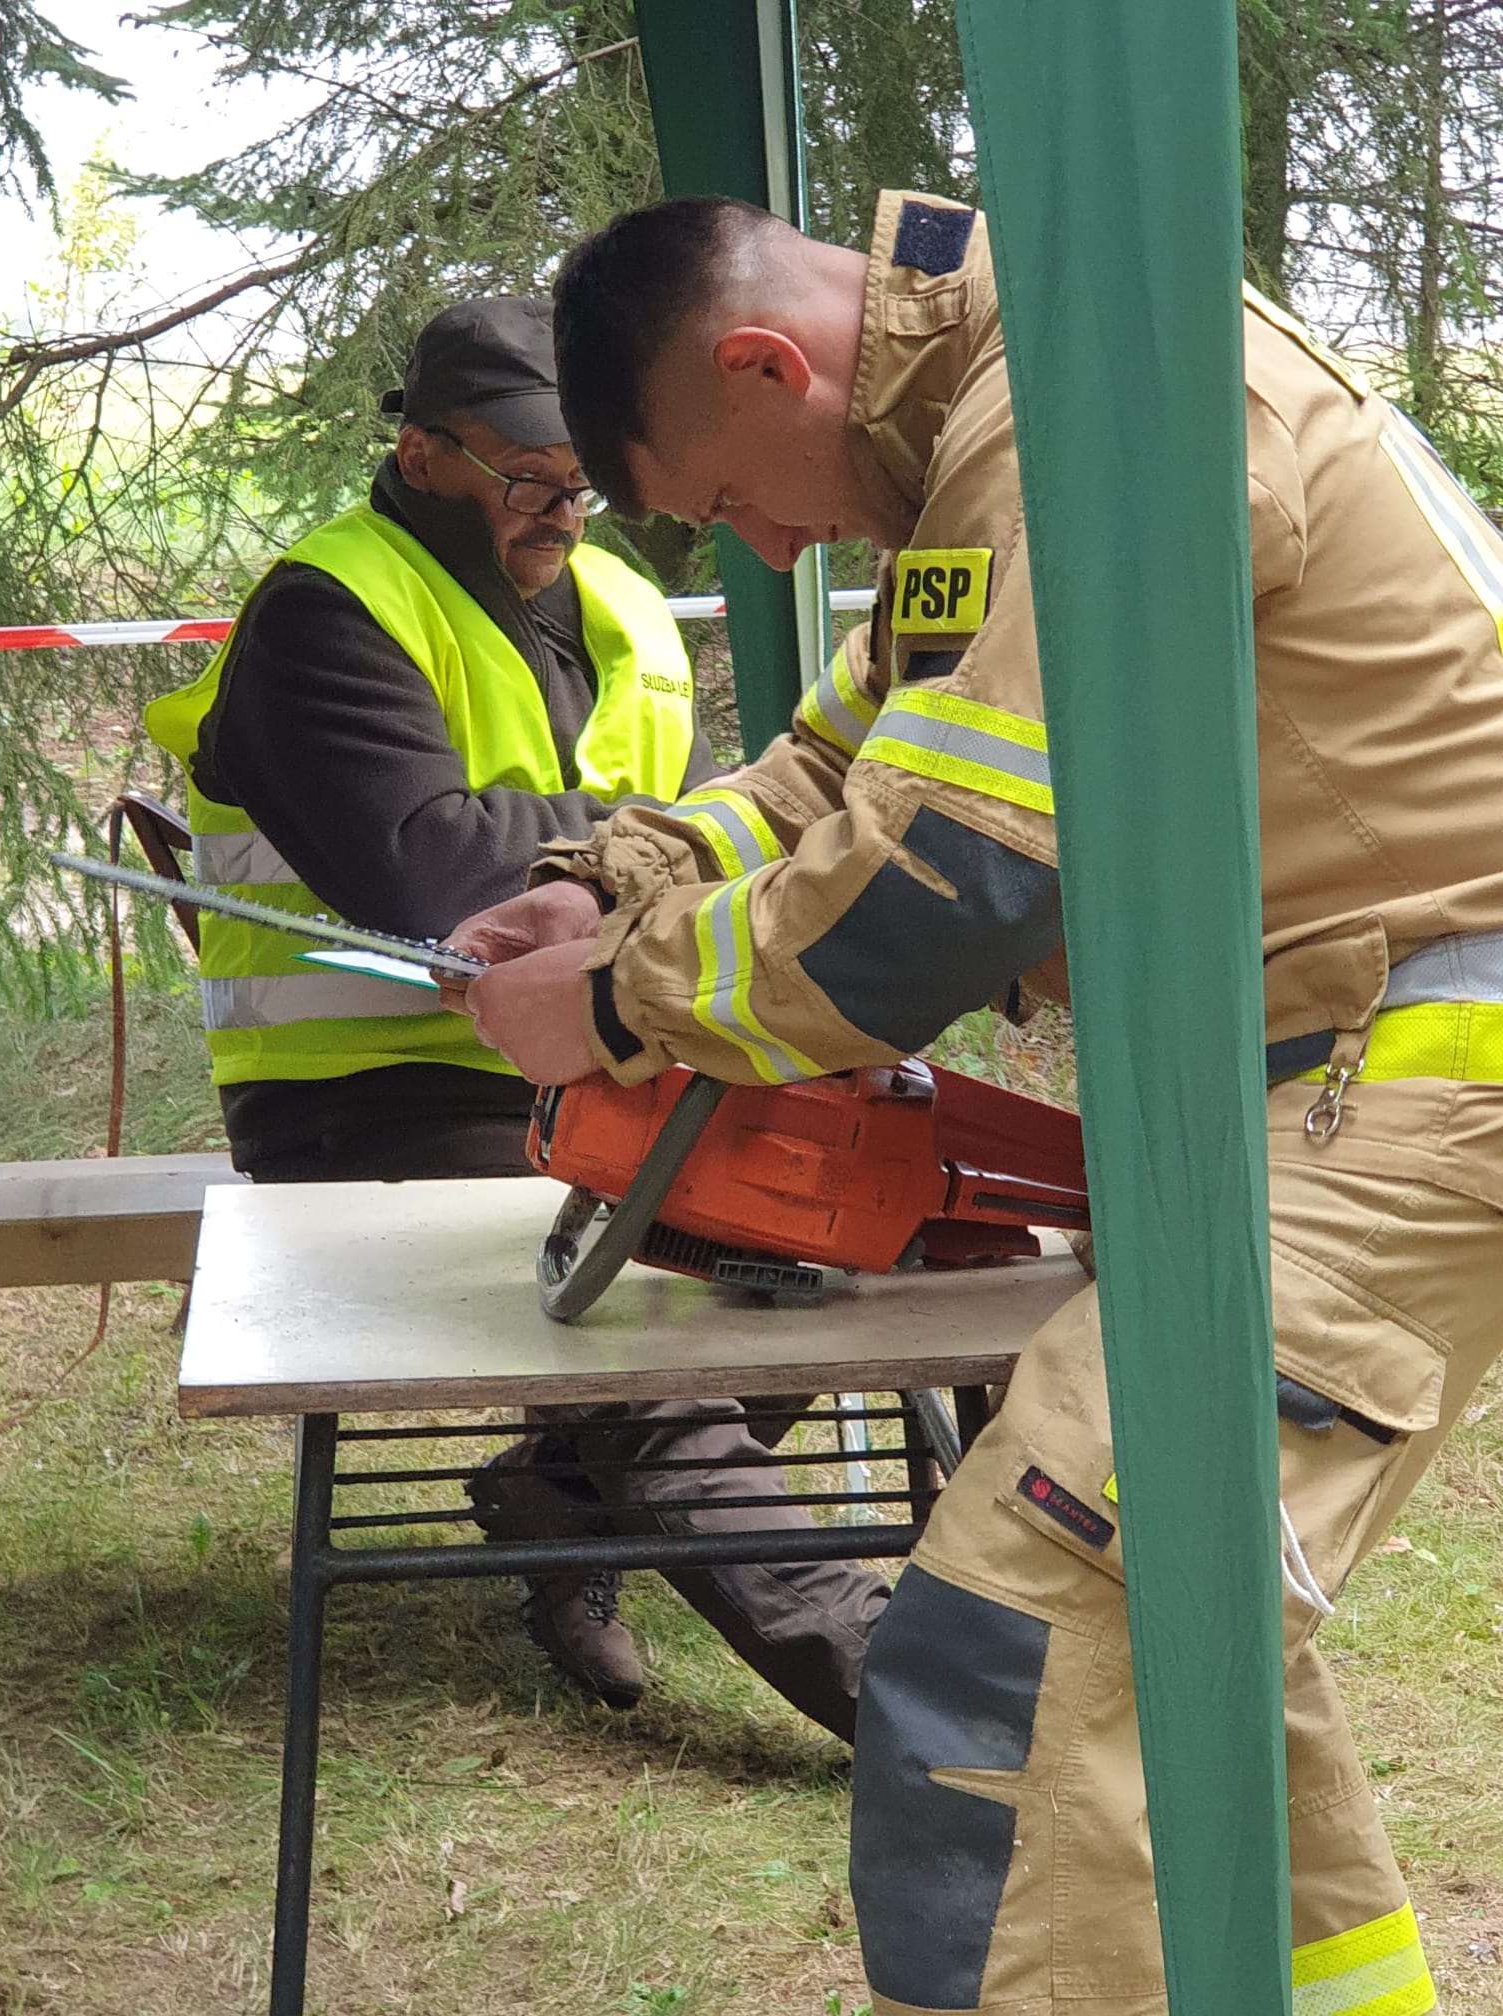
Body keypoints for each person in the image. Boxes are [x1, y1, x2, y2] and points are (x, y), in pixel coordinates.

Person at [442, 193, 1503, 2016]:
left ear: (765, 364)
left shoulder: (1076, 404)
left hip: (1415, 1069)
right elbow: (842, 766)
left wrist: (615, 1002)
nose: (769, 546)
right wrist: (616, 879)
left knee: (1023, 1624)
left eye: (733, 500)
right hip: (1349, 1073)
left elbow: (945, 891)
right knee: (1177, 1620)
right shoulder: (1000, 424)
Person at [145, 295, 890, 1740]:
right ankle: (911, 1697)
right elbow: (430, 873)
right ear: (421, 454)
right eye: (525, 477)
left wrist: (664, 851)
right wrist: (663, 841)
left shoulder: (618, 606)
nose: (561, 507)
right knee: (648, 1309)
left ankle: (557, 1495)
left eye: (582, 479)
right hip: (375, 1098)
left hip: (605, 1052)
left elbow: (708, 837)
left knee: (812, 1230)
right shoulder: (326, 611)